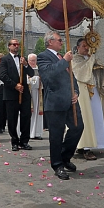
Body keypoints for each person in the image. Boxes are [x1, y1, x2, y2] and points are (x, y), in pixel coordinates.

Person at [37, 31, 84, 180]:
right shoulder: (43, 57)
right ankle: (57, 164)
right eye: (59, 40)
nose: (62, 42)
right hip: (55, 101)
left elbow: (72, 77)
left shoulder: (64, 57)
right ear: (50, 42)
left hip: (70, 100)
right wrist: (64, 60)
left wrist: (75, 91)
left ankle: (65, 156)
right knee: (56, 135)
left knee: (78, 127)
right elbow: (49, 75)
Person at [72, 38, 104, 160]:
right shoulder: (75, 59)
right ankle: (86, 147)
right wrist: (92, 59)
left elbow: (101, 71)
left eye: (88, 46)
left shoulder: (92, 58)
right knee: (86, 119)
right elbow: (81, 73)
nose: (86, 48)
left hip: (95, 93)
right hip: (83, 93)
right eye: (84, 46)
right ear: (78, 47)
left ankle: (93, 143)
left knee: (96, 118)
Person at [0, 39, 35, 151]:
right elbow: (3, 76)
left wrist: (26, 65)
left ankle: (24, 141)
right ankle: (14, 141)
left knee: (26, 117)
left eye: (18, 44)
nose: (16, 46)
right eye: (14, 45)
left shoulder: (22, 59)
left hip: (24, 93)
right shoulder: (5, 59)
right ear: (9, 46)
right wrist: (15, 85)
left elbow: (32, 73)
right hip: (11, 93)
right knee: (12, 118)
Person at [27, 54, 44, 140]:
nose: (34, 62)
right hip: (29, 93)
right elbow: (26, 81)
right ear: (28, 61)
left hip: (38, 93)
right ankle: (29, 133)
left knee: (38, 113)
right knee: (30, 114)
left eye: (35, 60)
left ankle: (37, 132)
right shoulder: (26, 69)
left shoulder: (39, 69)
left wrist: (41, 79)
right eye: (32, 61)